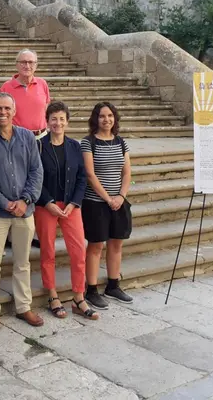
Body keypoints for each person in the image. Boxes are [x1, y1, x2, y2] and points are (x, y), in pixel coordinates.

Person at [0, 93, 44, 332]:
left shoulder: (27, 137)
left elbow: (36, 171)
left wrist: (25, 200)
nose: (3, 112)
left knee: (22, 262)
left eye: (7, 108)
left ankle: (23, 306)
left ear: (14, 110)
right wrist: (3, 202)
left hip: (24, 212)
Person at [34, 101, 98, 320]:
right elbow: (35, 177)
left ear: (67, 122)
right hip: (47, 206)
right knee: (48, 252)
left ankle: (78, 297)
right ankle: (52, 294)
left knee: (79, 250)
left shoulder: (74, 146)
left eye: (62, 119)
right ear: (47, 121)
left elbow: (82, 177)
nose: (57, 123)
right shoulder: (39, 146)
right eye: (54, 119)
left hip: (71, 206)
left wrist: (74, 203)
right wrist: (48, 202)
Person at [81, 101, 134, 310]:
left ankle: (113, 285)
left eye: (110, 116)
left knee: (116, 244)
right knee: (95, 246)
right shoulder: (88, 142)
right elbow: (90, 174)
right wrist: (107, 198)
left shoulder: (121, 143)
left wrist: (120, 196)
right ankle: (91, 289)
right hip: (95, 203)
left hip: (118, 202)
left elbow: (127, 172)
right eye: (102, 116)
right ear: (96, 119)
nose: (106, 120)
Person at [0, 49, 51, 140]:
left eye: (31, 62)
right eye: (23, 62)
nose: (27, 66)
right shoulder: (6, 87)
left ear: (36, 65)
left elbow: (46, 108)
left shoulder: (42, 84)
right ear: (17, 65)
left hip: (42, 137)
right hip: (18, 138)